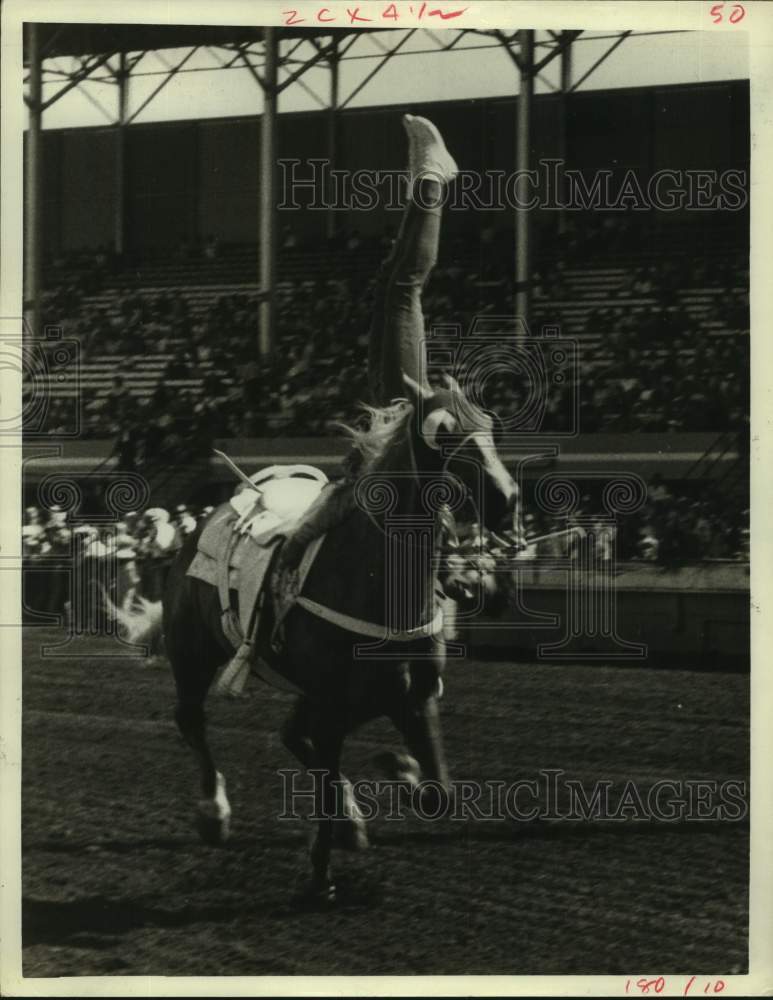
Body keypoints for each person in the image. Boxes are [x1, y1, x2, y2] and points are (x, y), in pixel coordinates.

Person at [281, 114, 459, 568]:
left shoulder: (376, 501)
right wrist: (298, 540)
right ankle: (433, 180)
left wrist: (299, 540)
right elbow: (341, 503)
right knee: (402, 287)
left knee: (392, 285)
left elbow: (339, 503)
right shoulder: (382, 499)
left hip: (394, 415)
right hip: (400, 412)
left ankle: (432, 179)